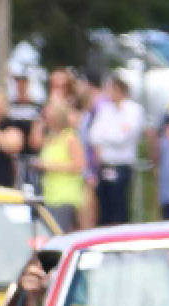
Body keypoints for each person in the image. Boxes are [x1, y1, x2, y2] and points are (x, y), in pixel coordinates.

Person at [85, 74, 142, 225]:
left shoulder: (133, 110)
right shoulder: (105, 109)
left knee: (120, 205)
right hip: (105, 164)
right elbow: (93, 136)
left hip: (122, 165)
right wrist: (110, 135)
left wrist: (105, 136)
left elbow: (123, 138)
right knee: (104, 208)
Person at [37, 98, 86, 230]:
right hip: (50, 195)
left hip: (64, 196)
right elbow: (35, 141)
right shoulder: (52, 138)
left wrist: (49, 166)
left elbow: (79, 166)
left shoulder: (70, 138)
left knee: (57, 230)